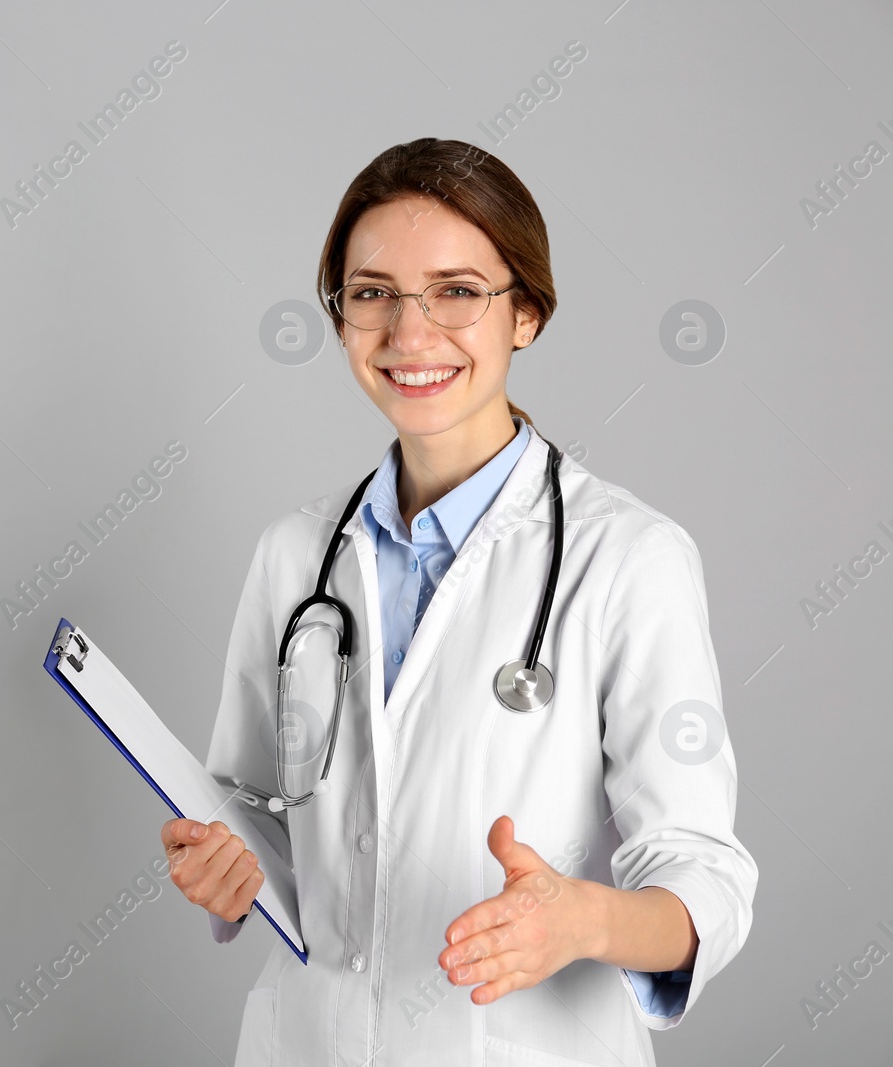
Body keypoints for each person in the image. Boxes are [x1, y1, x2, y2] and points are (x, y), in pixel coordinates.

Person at [158, 137, 757, 1066]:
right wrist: (225, 862)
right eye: (373, 293)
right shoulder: (295, 556)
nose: (410, 332)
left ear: (527, 314)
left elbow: (706, 877)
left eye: (457, 291)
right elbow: (253, 812)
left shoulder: (629, 557)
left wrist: (583, 918)